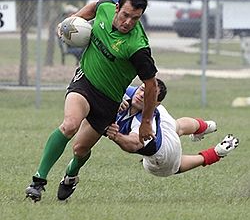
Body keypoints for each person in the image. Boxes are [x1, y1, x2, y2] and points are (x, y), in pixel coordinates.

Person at [25, 0, 158, 202]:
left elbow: (151, 86)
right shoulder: (105, 8)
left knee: (80, 149)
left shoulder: (138, 47)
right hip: (85, 81)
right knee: (69, 125)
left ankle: (71, 174)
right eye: (125, 15)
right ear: (117, 8)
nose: (128, 22)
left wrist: (146, 122)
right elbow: (93, 7)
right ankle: (37, 182)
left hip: (109, 101)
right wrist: (71, 21)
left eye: (135, 18)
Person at [56, 79, 239, 201]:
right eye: (143, 88)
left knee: (173, 166)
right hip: (162, 119)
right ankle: (207, 126)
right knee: (178, 126)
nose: (142, 94)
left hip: (163, 152)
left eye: (148, 94)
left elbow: (134, 144)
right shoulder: (131, 92)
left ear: (155, 103)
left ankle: (216, 153)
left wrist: (117, 136)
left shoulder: (145, 124)